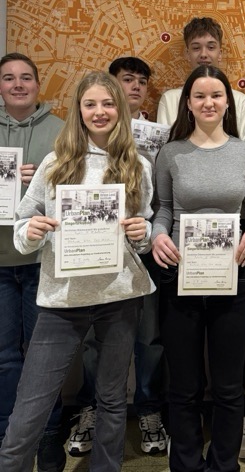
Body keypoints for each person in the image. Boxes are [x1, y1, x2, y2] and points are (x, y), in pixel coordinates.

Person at [0, 71, 155, 472]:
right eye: (90, 104)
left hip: (120, 297)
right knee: (30, 405)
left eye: (108, 103)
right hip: (61, 299)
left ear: (119, 109)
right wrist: (30, 231)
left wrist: (143, 233)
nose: (100, 112)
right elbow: (23, 225)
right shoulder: (56, 162)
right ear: (79, 111)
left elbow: (143, 233)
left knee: (112, 399)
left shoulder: (138, 165)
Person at [152, 64, 245, 472]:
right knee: (184, 385)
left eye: (216, 95)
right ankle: (185, 464)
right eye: (199, 96)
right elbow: (163, 209)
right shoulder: (171, 152)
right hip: (178, 275)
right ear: (188, 103)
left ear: (227, 102)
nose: (208, 103)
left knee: (229, 387)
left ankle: (223, 465)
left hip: (231, 276)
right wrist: (157, 236)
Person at [68, 57, 168, 456]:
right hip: (95, 251)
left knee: (149, 336)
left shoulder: (159, 137)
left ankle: (149, 408)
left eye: (142, 81)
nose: (136, 87)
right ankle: (90, 407)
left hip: (144, 248)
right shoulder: (78, 142)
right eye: (128, 80)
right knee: (95, 338)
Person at [0, 52, 65, 472]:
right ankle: (8, 440)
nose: (18, 85)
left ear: (38, 85)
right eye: (9, 78)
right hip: (0, 261)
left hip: (44, 260)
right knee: (5, 357)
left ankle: (49, 439)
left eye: (26, 77)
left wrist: (41, 180)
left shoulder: (60, 131)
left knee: (44, 359)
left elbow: (76, 188)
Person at [157, 16, 245, 145]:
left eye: (211, 47)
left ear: (220, 53)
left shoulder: (241, 102)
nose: (203, 54)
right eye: (196, 48)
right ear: (187, 53)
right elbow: (165, 148)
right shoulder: (170, 100)